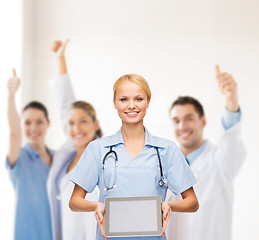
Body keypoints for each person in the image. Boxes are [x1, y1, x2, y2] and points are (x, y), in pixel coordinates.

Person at [69, 73, 199, 240]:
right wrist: (97, 206)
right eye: (124, 100)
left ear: (148, 101)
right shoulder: (97, 149)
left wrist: (169, 205)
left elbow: (192, 202)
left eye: (138, 99)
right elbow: (74, 201)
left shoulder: (167, 150)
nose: (131, 105)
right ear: (115, 103)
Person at [166, 65, 247, 240]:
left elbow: (230, 139)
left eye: (189, 118)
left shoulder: (221, 160)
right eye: (176, 120)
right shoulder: (165, 166)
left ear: (202, 121)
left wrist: (231, 100)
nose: (182, 126)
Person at [47, 40, 101, 240]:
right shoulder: (67, 156)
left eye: (83, 122)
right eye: (71, 123)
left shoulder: (105, 157)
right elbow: (65, 105)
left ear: (95, 124)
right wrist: (59, 58)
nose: (76, 129)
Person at [6, 69, 53, 240]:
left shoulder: (58, 158)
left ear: (48, 123)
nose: (33, 128)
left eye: (39, 122)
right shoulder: (21, 158)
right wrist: (11, 96)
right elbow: (14, 133)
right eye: (27, 123)